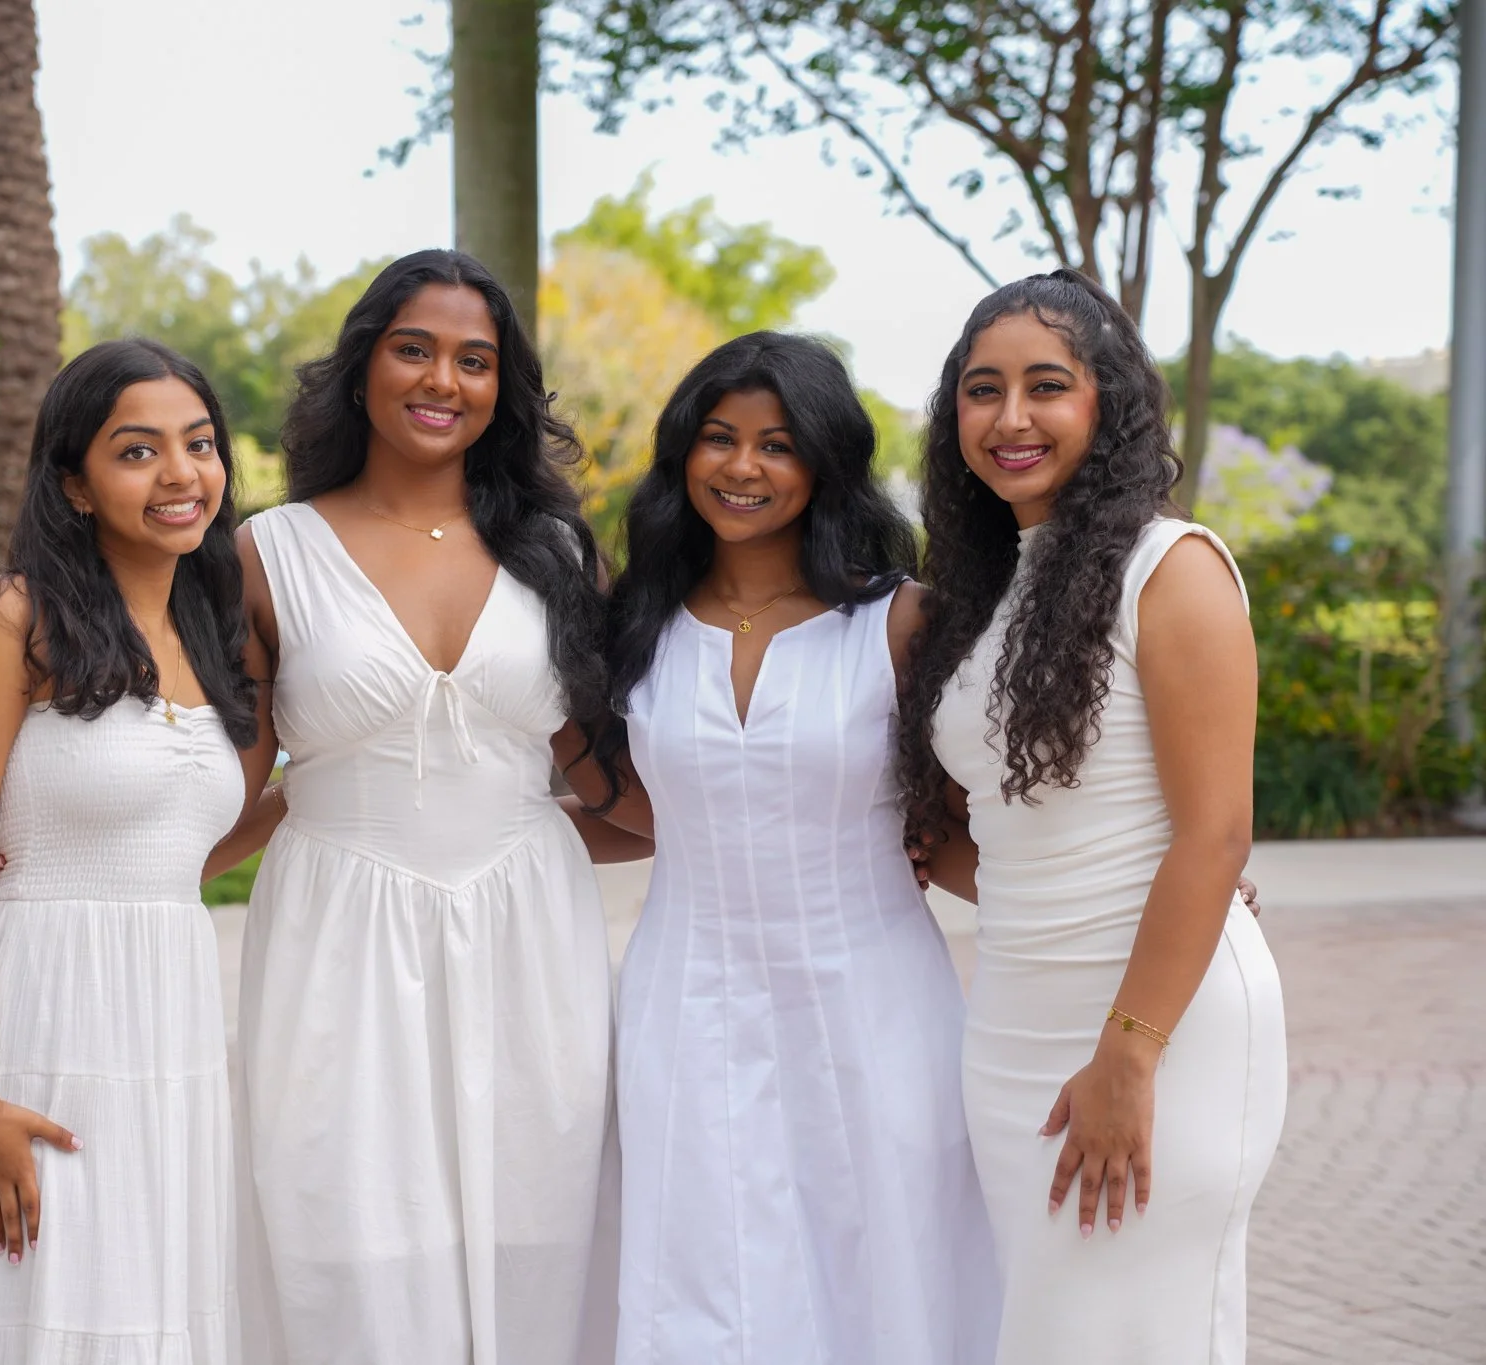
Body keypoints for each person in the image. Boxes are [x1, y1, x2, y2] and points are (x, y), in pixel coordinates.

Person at [223, 249, 647, 1365]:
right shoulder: (268, 554)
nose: (442, 381)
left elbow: (621, 789)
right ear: (364, 364)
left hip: (529, 940)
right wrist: (60, 861)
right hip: (335, 940)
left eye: (475, 360)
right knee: (342, 1246)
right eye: (415, 348)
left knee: (540, 1237)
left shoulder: (553, 554)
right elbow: (231, 785)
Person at [565, 332, 1001, 1363]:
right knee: (703, 1281)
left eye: (776, 443)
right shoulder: (632, 625)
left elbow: (976, 821)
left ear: (824, 460)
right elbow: (632, 805)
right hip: (685, 994)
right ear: (681, 455)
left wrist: (1140, 880)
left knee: (887, 1270)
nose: (743, 467)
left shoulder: (900, 623)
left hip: (873, 998)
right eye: (718, 439)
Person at [900, 269, 1288, 1363]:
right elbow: (1013, 839)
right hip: (1015, 1024)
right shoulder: (985, 598)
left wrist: (1126, 1061)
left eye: (1044, 386)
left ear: (1105, 404)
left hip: (1158, 1034)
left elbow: (1213, 834)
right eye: (980, 391)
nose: (1009, 418)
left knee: (1134, 1335)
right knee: (1041, 1335)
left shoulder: (1173, 569)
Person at [0, 339, 270, 1365]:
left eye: (198, 444)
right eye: (137, 452)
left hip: (171, 1036)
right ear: (73, 483)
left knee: (152, 1310)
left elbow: (168, 859)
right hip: (42, 1030)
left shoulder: (215, 636)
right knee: (38, 1310)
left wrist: (307, 802)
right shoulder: (11, 621)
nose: (180, 474)